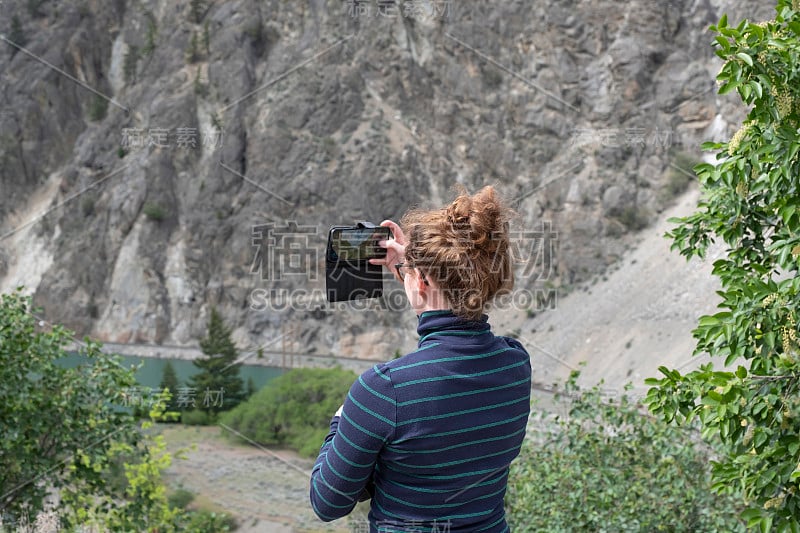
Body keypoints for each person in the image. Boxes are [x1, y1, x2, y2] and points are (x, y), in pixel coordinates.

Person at [310, 186, 532, 532]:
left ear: (423, 282)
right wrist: (411, 269)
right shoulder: (515, 365)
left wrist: (341, 420)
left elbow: (327, 503)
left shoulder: (383, 390)